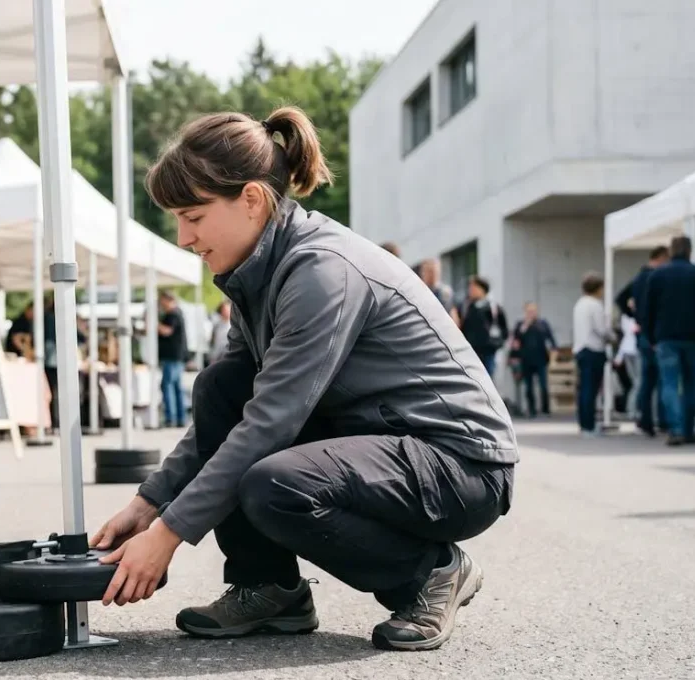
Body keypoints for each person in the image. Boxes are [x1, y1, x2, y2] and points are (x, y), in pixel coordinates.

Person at [91, 106, 517, 652]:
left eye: (193, 216)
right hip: (383, 441)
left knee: (276, 484)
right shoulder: (256, 273)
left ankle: (430, 574)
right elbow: (235, 411)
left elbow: (270, 424)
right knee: (221, 387)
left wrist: (168, 534)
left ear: (251, 198)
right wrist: (148, 503)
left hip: (460, 464)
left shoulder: (321, 271)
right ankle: (270, 587)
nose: (183, 237)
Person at [643, 236, 695, 446]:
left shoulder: (657, 275)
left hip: (666, 337)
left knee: (669, 384)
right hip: (694, 338)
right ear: (689, 251)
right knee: (691, 384)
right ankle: (689, 430)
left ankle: (676, 429)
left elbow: (647, 310)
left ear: (671, 251)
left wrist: (650, 337)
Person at [615, 246, 670, 436]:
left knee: (647, 379)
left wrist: (635, 315)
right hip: (655, 332)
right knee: (661, 379)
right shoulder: (656, 278)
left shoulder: (639, 278)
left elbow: (620, 299)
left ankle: (645, 419)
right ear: (661, 258)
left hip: (643, 333)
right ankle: (662, 419)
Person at [572, 274, 612, 436]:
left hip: (581, 349)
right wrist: (612, 337)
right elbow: (601, 329)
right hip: (594, 350)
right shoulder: (595, 305)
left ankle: (584, 424)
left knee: (584, 389)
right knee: (592, 389)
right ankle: (590, 425)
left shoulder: (579, 304)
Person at [511, 302, 556, 417]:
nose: (531, 313)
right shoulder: (521, 324)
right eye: (529, 311)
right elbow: (516, 340)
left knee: (543, 385)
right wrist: (526, 325)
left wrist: (553, 350)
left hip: (541, 359)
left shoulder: (542, 324)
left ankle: (545, 409)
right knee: (529, 386)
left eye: (533, 311)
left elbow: (550, 338)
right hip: (526, 359)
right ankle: (532, 409)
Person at [457, 276, 508, 377]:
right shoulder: (466, 307)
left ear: (482, 289)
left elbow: (504, 329)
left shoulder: (493, 307)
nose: (470, 291)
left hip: (488, 352)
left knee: (487, 378)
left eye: (473, 288)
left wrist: (495, 344)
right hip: (470, 352)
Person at [158, 291, 190, 428]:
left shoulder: (173, 314)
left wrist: (154, 324)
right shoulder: (178, 313)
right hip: (177, 356)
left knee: (168, 385)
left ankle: (171, 417)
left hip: (172, 356)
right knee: (176, 387)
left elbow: (167, 331)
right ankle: (180, 417)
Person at [418, 258, 459, 323]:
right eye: (429, 271)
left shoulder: (446, 292)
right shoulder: (419, 293)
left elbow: (453, 314)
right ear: (422, 273)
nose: (432, 275)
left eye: (434, 271)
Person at [207, 299, 232, 367]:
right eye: (224, 310)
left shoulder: (233, 326)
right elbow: (213, 341)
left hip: (228, 356)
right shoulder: (217, 325)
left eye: (228, 309)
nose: (226, 312)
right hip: (216, 356)